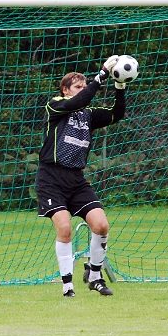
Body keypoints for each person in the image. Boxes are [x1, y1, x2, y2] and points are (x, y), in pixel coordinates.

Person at [36, 55, 126, 297]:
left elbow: (117, 114)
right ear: (65, 90)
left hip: (76, 180)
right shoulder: (55, 105)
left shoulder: (88, 114)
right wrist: (101, 75)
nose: (83, 90)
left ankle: (94, 275)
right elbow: (79, 101)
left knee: (101, 225)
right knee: (65, 228)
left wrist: (119, 86)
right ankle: (67, 287)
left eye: (84, 86)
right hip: (51, 179)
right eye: (78, 87)